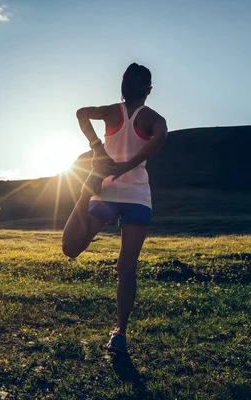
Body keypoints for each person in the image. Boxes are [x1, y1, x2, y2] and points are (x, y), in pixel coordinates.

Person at [62, 62, 168, 354]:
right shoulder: (152, 117)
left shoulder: (111, 111)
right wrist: (124, 163)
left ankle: (119, 332)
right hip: (134, 195)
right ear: (148, 90)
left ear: (122, 86)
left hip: (108, 191)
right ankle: (119, 333)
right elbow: (161, 135)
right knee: (127, 267)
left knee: (72, 248)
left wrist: (98, 148)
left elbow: (81, 113)